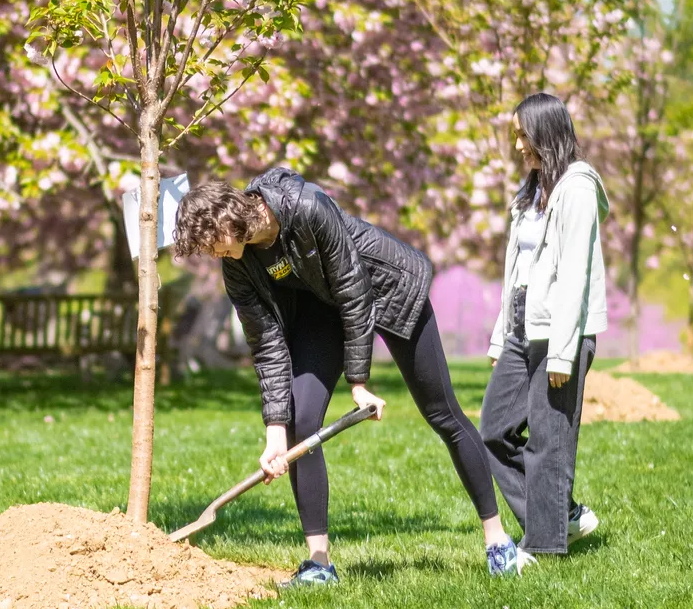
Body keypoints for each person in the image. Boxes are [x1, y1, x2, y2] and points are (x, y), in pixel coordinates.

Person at [173, 168, 524, 584]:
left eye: (210, 242)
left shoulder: (305, 207)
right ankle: (319, 564)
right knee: (301, 426)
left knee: (442, 413)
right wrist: (274, 433)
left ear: (226, 219)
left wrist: (358, 384)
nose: (211, 254)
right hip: (326, 307)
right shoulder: (238, 264)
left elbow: (355, 292)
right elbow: (266, 345)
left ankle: (498, 542)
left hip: (387, 288)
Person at [478, 92, 609, 572]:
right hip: (520, 324)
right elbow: (516, 271)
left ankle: (545, 545)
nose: (517, 145)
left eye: (522, 135)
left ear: (545, 132)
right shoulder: (531, 191)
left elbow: (574, 273)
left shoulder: (577, 189)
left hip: (560, 331)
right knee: (493, 430)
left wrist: (562, 353)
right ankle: (560, 515)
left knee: (549, 440)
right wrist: (500, 339)